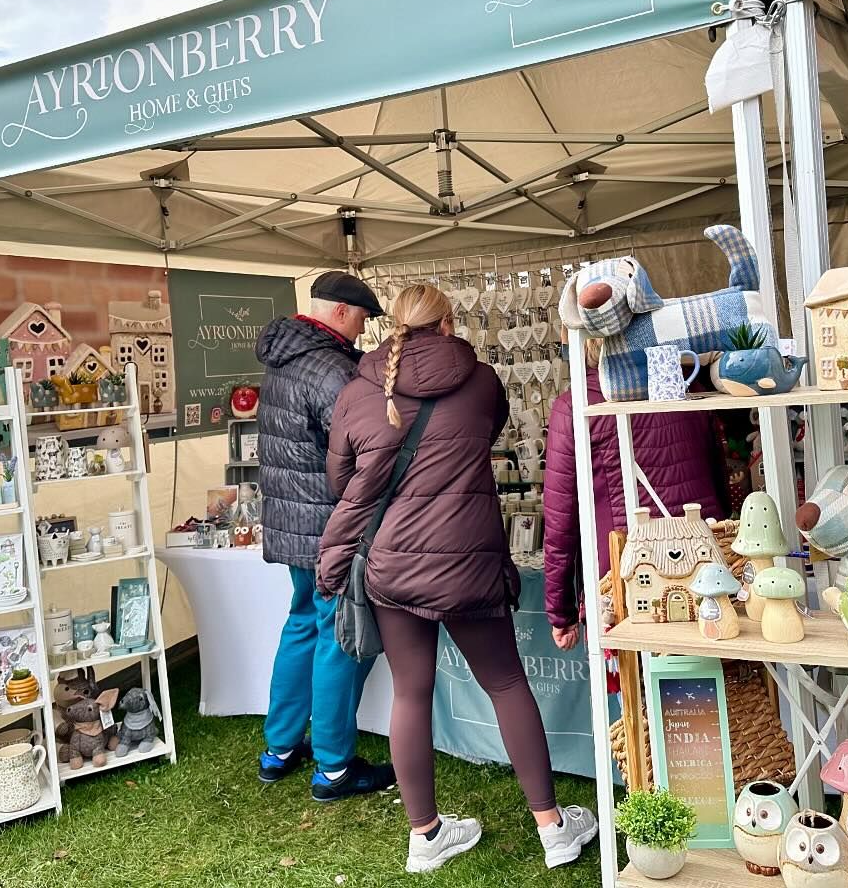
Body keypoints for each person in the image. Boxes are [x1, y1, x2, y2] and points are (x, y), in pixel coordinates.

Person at [319, 285, 597, 874]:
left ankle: (425, 835)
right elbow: (486, 436)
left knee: (410, 693)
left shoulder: (357, 391)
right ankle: (552, 828)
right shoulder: (484, 381)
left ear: (391, 324)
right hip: (470, 560)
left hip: (393, 566)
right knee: (505, 684)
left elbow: (340, 480)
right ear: (447, 324)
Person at [254, 270, 395, 801]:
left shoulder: (282, 359)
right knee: (339, 635)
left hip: (292, 523)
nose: (363, 331)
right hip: (330, 526)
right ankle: (334, 766)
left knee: (301, 625)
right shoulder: (333, 368)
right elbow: (362, 449)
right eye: (362, 318)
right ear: (339, 311)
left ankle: (280, 747)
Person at [544, 337, 728, 647]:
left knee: (639, 683)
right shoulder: (688, 388)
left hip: (624, 576)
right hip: (705, 561)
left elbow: (560, 523)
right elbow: (718, 477)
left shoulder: (575, 406)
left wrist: (561, 613)